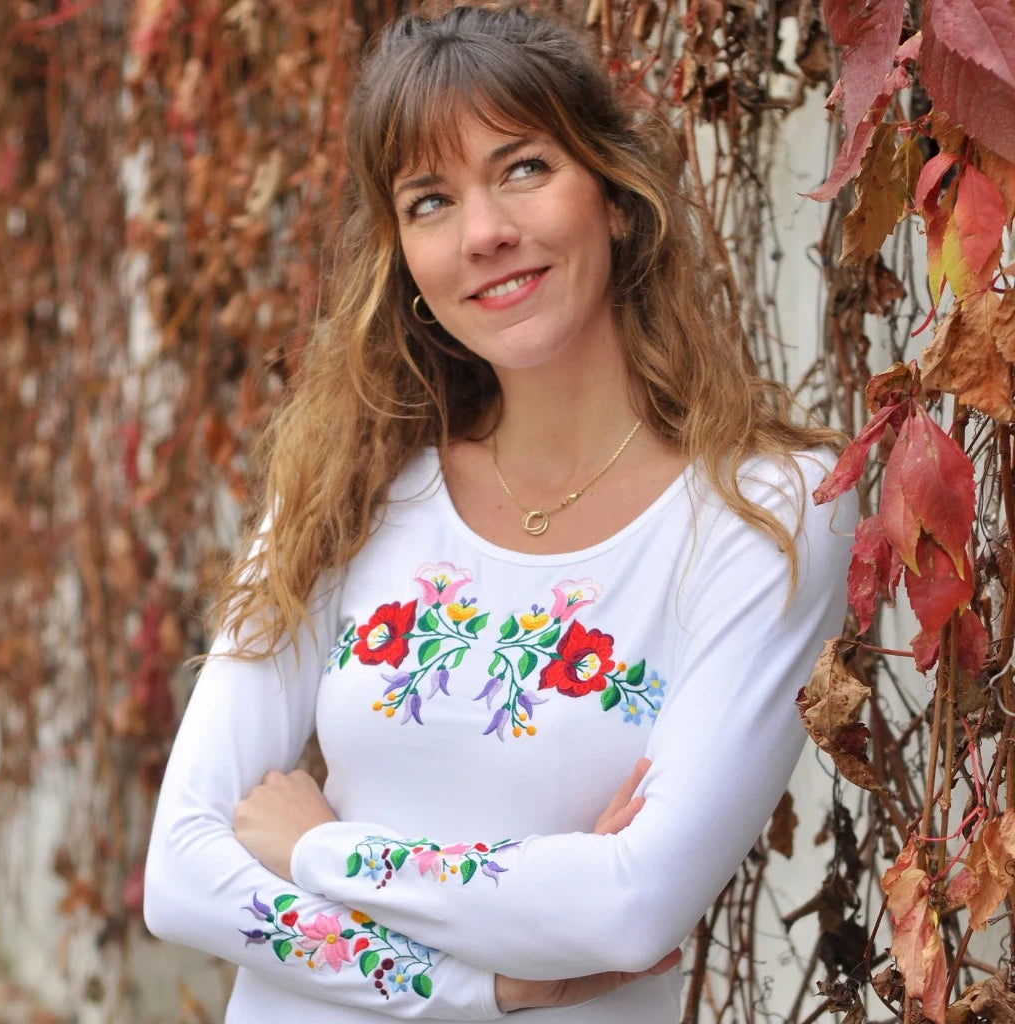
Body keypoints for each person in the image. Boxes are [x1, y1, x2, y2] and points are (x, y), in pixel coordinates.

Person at [143, 5, 854, 1022]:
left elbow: (630, 906)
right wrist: (485, 984)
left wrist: (317, 849)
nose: (483, 234)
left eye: (523, 167)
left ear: (614, 196)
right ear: (404, 256)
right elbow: (182, 871)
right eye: (430, 200)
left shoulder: (766, 510)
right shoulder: (349, 486)